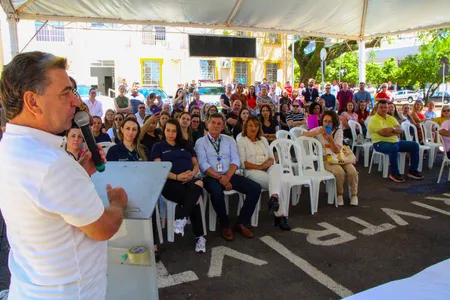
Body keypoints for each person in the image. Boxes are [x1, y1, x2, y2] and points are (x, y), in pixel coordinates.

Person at [0, 51, 126, 299]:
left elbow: (45, 199)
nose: (75, 103)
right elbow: (104, 227)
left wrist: (79, 174)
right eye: (64, 93)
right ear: (33, 102)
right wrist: (118, 203)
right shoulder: (52, 165)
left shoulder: (10, 146)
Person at [195, 113, 261, 241]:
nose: (215, 125)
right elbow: (203, 164)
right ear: (207, 124)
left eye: (219, 123)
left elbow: (235, 160)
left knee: (255, 188)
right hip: (211, 177)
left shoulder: (229, 140)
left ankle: (241, 222)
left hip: (229, 174)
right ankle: (225, 224)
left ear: (222, 126)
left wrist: (227, 177)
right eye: (213, 122)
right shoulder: (200, 142)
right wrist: (220, 178)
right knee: (217, 192)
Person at [151, 119, 206, 253]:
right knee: (195, 199)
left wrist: (192, 174)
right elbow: (159, 168)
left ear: (178, 132)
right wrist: (177, 177)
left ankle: (181, 218)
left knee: (199, 183)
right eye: (168, 130)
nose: (171, 133)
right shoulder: (158, 147)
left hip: (189, 179)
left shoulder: (186, 144)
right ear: (164, 131)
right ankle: (199, 236)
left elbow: (195, 164)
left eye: (174, 131)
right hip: (169, 182)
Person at [237, 116, 291, 230]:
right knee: (280, 183)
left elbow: (272, 158)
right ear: (245, 127)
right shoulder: (242, 140)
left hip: (268, 168)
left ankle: (274, 197)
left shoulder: (263, 140)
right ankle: (281, 216)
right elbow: (243, 163)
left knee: (277, 167)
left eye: (256, 125)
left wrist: (268, 163)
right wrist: (260, 166)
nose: (253, 128)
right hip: (252, 171)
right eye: (250, 125)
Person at [302, 111, 359, 206]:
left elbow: (337, 150)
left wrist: (330, 139)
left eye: (330, 122)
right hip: (325, 159)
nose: (327, 124)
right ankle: (339, 194)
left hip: (339, 157)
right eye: (325, 121)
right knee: (338, 172)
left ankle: (354, 195)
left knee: (352, 171)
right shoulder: (319, 129)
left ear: (334, 123)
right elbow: (303, 135)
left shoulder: (338, 131)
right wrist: (315, 132)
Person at [368, 100, 424, 183]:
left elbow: (401, 130)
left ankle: (412, 171)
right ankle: (394, 173)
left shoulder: (390, 118)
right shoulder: (374, 120)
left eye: (385, 107)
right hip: (380, 143)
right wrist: (395, 133)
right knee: (393, 148)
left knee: (415, 145)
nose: (384, 109)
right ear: (377, 108)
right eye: (381, 107)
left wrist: (392, 129)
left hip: (395, 142)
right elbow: (383, 134)